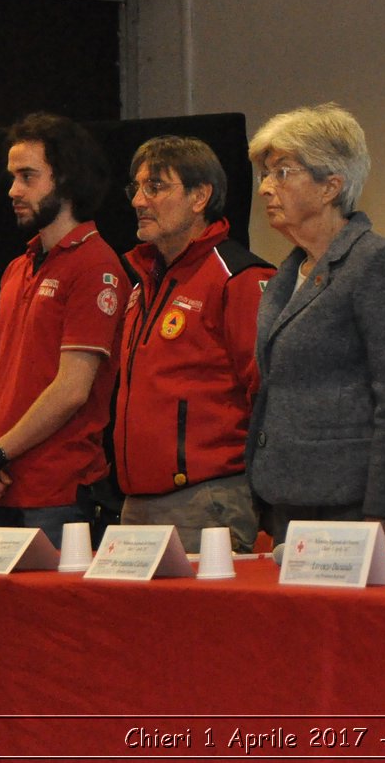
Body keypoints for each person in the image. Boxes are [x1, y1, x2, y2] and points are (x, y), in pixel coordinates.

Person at [245, 103, 385, 554]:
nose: (266, 188)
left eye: (282, 173)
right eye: (265, 174)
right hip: (285, 498)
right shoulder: (286, 274)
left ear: (330, 186)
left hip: (352, 507)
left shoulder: (374, 263)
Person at [0, 112, 129, 549]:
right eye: (13, 177)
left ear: (67, 179)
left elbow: (72, 389)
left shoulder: (96, 266)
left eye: (27, 176)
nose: (13, 190)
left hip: (56, 494)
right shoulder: (19, 267)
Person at [113, 136, 274, 553]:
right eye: (136, 188)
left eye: (156, 187)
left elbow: (268, 396)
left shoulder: (238, 277)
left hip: (206, 501)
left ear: (200, 196)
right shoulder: (145, 280)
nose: (139, 201)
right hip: (135, 503)